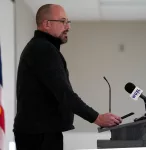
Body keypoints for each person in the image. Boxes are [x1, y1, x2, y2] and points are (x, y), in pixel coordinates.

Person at [13, 4, 122, 150]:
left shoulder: (41, 47)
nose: (68, 27)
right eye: (63, 21)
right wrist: (97, 118)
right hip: (39, 136)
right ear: (46, 24)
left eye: (68, 22)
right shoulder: (43, 49)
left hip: (39, 133)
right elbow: (64, 93)